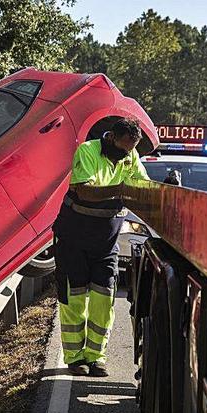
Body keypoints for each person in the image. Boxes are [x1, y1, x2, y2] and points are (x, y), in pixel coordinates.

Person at [52, 118, 149, 377]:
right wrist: (121, 189)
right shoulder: (88, 151)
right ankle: (75, 358)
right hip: (74, 239)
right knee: (74, 299)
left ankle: (97, 357)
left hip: (105, 244)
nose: (127, 154)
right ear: (110, 138)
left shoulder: (130, 155)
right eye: (123, 147)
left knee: (104, 300)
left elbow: (141, 185)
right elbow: (85, 192)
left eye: (131, 150)